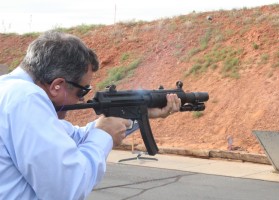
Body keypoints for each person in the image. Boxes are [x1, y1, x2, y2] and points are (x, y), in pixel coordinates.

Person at [0, 31, 181, 200]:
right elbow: (68, 188)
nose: (81, 100)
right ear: (57, 85)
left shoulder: (11, 92)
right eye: (82, 91)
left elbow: (75, 136)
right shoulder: (26, 99)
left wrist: (141, 113)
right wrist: (104, 136)